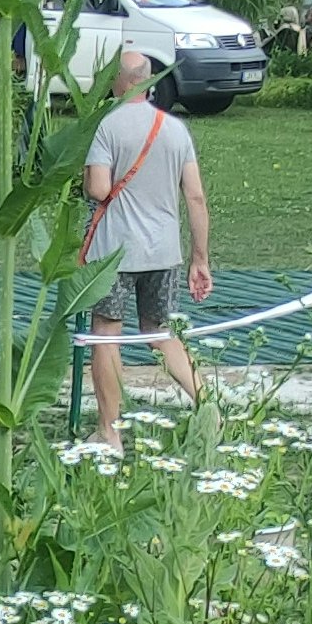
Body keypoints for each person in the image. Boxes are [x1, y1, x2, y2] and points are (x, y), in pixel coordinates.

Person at [80, 48, 213, 447]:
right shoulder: (175, 129)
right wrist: (200, 258)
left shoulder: (107, 126)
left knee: (106, 334)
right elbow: (195, 197)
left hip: (115, 252)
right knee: (159, 332)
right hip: (163, 251)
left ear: (121, 81)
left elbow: (99, 189)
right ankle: (209, 406)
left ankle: (110, 432)